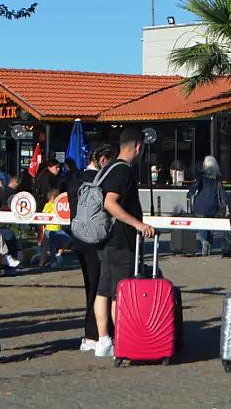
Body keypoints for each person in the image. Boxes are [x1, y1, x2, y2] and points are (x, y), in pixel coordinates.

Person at [93, 127, 155, 359]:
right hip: (121, 241)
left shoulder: (107, 168)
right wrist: (138, 225)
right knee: (121, 293)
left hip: (105, 239)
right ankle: (122, 341)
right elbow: (111, 203)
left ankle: (103, 341)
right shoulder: (124, 172)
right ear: (138, 147)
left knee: (104, 290)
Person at [69, 144, 111, 352]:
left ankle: (90, 334)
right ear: (103, 160)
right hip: (97, 241)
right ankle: (94, 334)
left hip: (79, 239)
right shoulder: (100, 181)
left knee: (90, 286)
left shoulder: (75, 179)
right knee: (100, 288)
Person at [189, 155, 225, 256]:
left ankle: (203, 241)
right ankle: (209, 242)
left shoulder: (201, 175)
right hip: (212, 204)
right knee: (211, 226)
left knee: (202, 225)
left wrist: (190, 193)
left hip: (201, 203)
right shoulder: (217, 178)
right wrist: (226, 201)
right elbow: (221, 190)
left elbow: (196, 185)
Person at [39, 186, 72, 268]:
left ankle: (58, 254)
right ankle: (52, 261)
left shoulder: (58, 205)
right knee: (53, 246)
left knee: (68, 240)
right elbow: (44, 213)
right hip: (50, 229)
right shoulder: (49, 205)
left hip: (58, 229)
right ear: (53, 198)